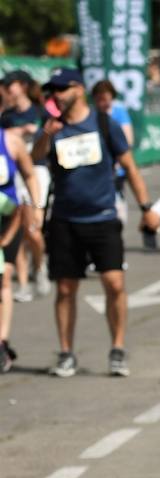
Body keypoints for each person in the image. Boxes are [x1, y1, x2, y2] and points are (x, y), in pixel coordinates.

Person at [31, 68, 160, 378]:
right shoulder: (52, 127)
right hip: (64, 218)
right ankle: (66, 352)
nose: (56, 95)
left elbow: (129, 166)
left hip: (102, 217)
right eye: (53, 91)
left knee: (114, 283)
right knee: (65, 288)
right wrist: (46, 134)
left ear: (79, 89)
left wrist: (146, 207)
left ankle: (117, 348)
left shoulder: (104, 124)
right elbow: (35, 158)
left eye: (62, 89)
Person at [2, 70, 50, 304]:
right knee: (18, 232)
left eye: (10, 84)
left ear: (22, 86)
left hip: (37, 169)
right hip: (14, 176)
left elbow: (52, 136)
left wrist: (38, 133)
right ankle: (22, 284)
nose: (7, 89)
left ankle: (39, 266)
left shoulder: (40, 111)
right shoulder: (8, 116)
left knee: (33, 230)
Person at [0, 121, 40, 373]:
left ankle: (1, 341)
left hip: (8, 218)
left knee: (4, 277)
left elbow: (29, 174)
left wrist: (36, 207)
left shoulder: (11, 141)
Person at [89, 81, 135, 224]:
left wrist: (118, 159)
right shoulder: (90, 115)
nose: (104, 103)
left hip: (115, 169)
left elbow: (128, 140)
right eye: (100, 99)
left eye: (107, 99)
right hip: (95, 168)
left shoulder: (119, 112)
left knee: (116, 204)